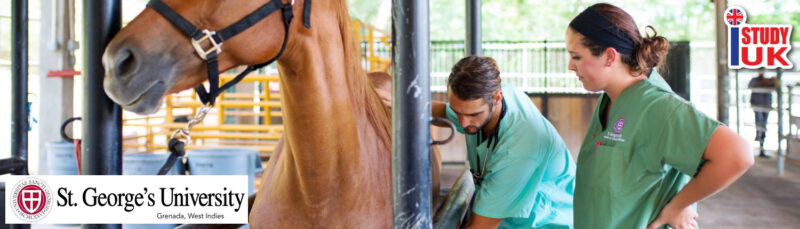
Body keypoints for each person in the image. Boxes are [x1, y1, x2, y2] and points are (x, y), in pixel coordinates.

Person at [566, 3, 754, 229]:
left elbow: (737, 155)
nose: (570, 66)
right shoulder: (611, 98)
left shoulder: (657, 106)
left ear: (609, 56)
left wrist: (678, 205)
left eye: (576, 56)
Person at [432, 55, 575, 229]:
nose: (462, 123)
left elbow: (481, 227)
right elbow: (442, 111)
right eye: (457, 112)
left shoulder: (518, 148)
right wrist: (398, 104)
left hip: (546, 224)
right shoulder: (491, 95)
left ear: (497, 98)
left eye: (473, 115)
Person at [748, 68, 776, 158]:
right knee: (760, 124)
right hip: (758, 106)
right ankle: (759, 140)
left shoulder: (768, 81)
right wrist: (768, 82)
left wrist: (773, 81)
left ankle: (761, 146)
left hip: (766, 106)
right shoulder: (755, 80)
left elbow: (776, 87)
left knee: (763, 125)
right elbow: (751, 86)